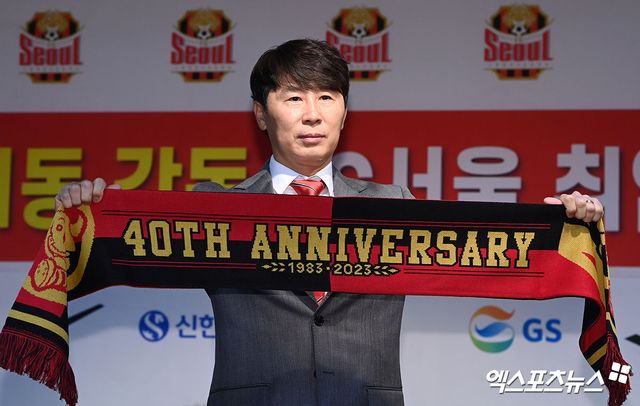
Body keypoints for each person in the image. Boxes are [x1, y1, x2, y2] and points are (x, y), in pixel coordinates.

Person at [55, 39, 604, 406]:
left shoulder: (393, 205)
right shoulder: (219, 208)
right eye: (293, 97)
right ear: (261, 113)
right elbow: (116, 242)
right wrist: (85, 212)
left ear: (345, 111)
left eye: (327, 96)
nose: (312, 114)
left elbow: (488, 250)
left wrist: (567, 226)